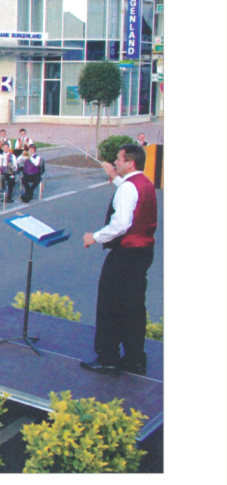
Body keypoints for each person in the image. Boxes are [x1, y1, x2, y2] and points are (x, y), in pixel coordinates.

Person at [80, 142, 157, 374]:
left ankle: (108, 356)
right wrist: (114, 177)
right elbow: (130, 195)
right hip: (142, 252)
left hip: (125, 254)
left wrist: (94, 237)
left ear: (130, 162)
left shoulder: (127, 188)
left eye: (119, 159)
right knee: (133, 307)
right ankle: (135, 358)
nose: (115, 161)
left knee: (110, 305)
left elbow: (121, 224)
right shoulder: (144, 182)